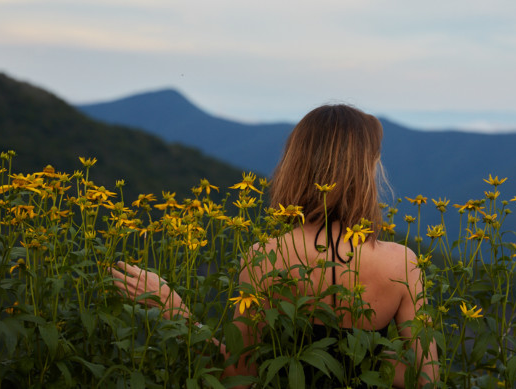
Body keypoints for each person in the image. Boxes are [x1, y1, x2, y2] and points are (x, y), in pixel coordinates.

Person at [111, 104, 439, 387]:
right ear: (366, 172)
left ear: (295, 164)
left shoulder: (266, 257)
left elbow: (237, 378)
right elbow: (427, 380)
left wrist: (174, 310)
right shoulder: (403, 264)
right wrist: (374, 359)